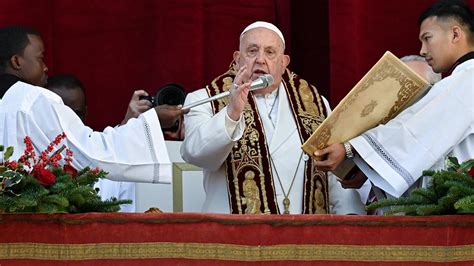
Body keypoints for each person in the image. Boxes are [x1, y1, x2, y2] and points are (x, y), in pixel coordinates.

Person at [181, 21, 365, 215]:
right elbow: (196, 154)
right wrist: (232, 113)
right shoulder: (205, 99)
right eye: (252, 51)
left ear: (284, 62)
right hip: (236, 237)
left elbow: (332, 174)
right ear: (237, 59)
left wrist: (351, 220)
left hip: (305, 236)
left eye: (270, 52)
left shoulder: (316, 104)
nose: (260, 59)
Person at [314, 0, 474, 200]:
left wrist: (350, 148)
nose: (423, 50)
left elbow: (416, 129)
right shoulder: (462, 79)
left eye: (427, 38)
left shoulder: (467, 79)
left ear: (455, 34)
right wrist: (368, 167)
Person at [0, 25, 187, 184]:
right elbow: (88, 155)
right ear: (17, 61)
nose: (46, 67)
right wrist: (152, 121)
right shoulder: (32, 100)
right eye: (41, 58)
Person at [47, 74, 145, 212]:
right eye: (61, 115)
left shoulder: (115, 160)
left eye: (76, 114)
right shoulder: (28, 157)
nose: (69, 123)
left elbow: (126, 222)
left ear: (86, 113)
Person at [355, 55, 442, 205]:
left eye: (416, 91)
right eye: (399, 92)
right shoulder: (367, 145)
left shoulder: (446, 143)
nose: (404, 100)